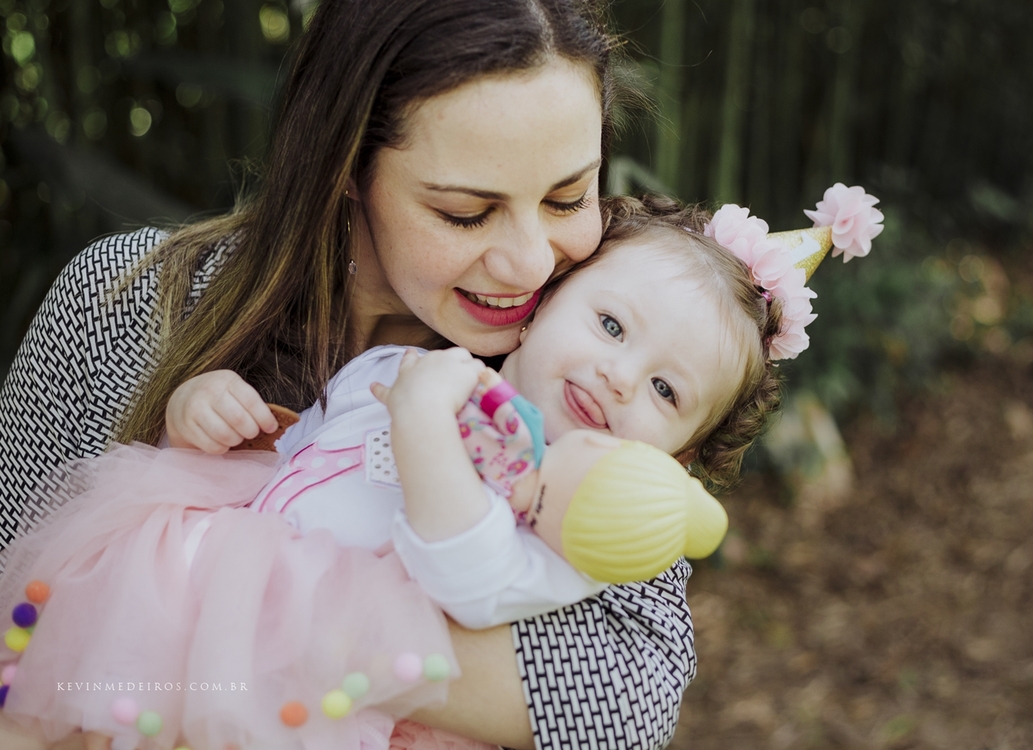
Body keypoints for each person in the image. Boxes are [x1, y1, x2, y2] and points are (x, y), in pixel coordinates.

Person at [0, 0, 683, 746]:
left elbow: (624, 699)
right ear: (344, 169)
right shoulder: (127, 304)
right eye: (463, 212)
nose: (528, 263)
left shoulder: (585, 374)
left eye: (566, 197)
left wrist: (194, 595)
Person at [0, 190, 884, 750]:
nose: (619, 375)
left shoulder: (553, 508)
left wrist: (426, 424)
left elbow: (465, 578)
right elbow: (296, 460)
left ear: (680, 454)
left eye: (664, 388)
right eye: (611, 327)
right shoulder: (402, 368)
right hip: (207, 633)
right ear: (540, 312)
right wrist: (215, 416)